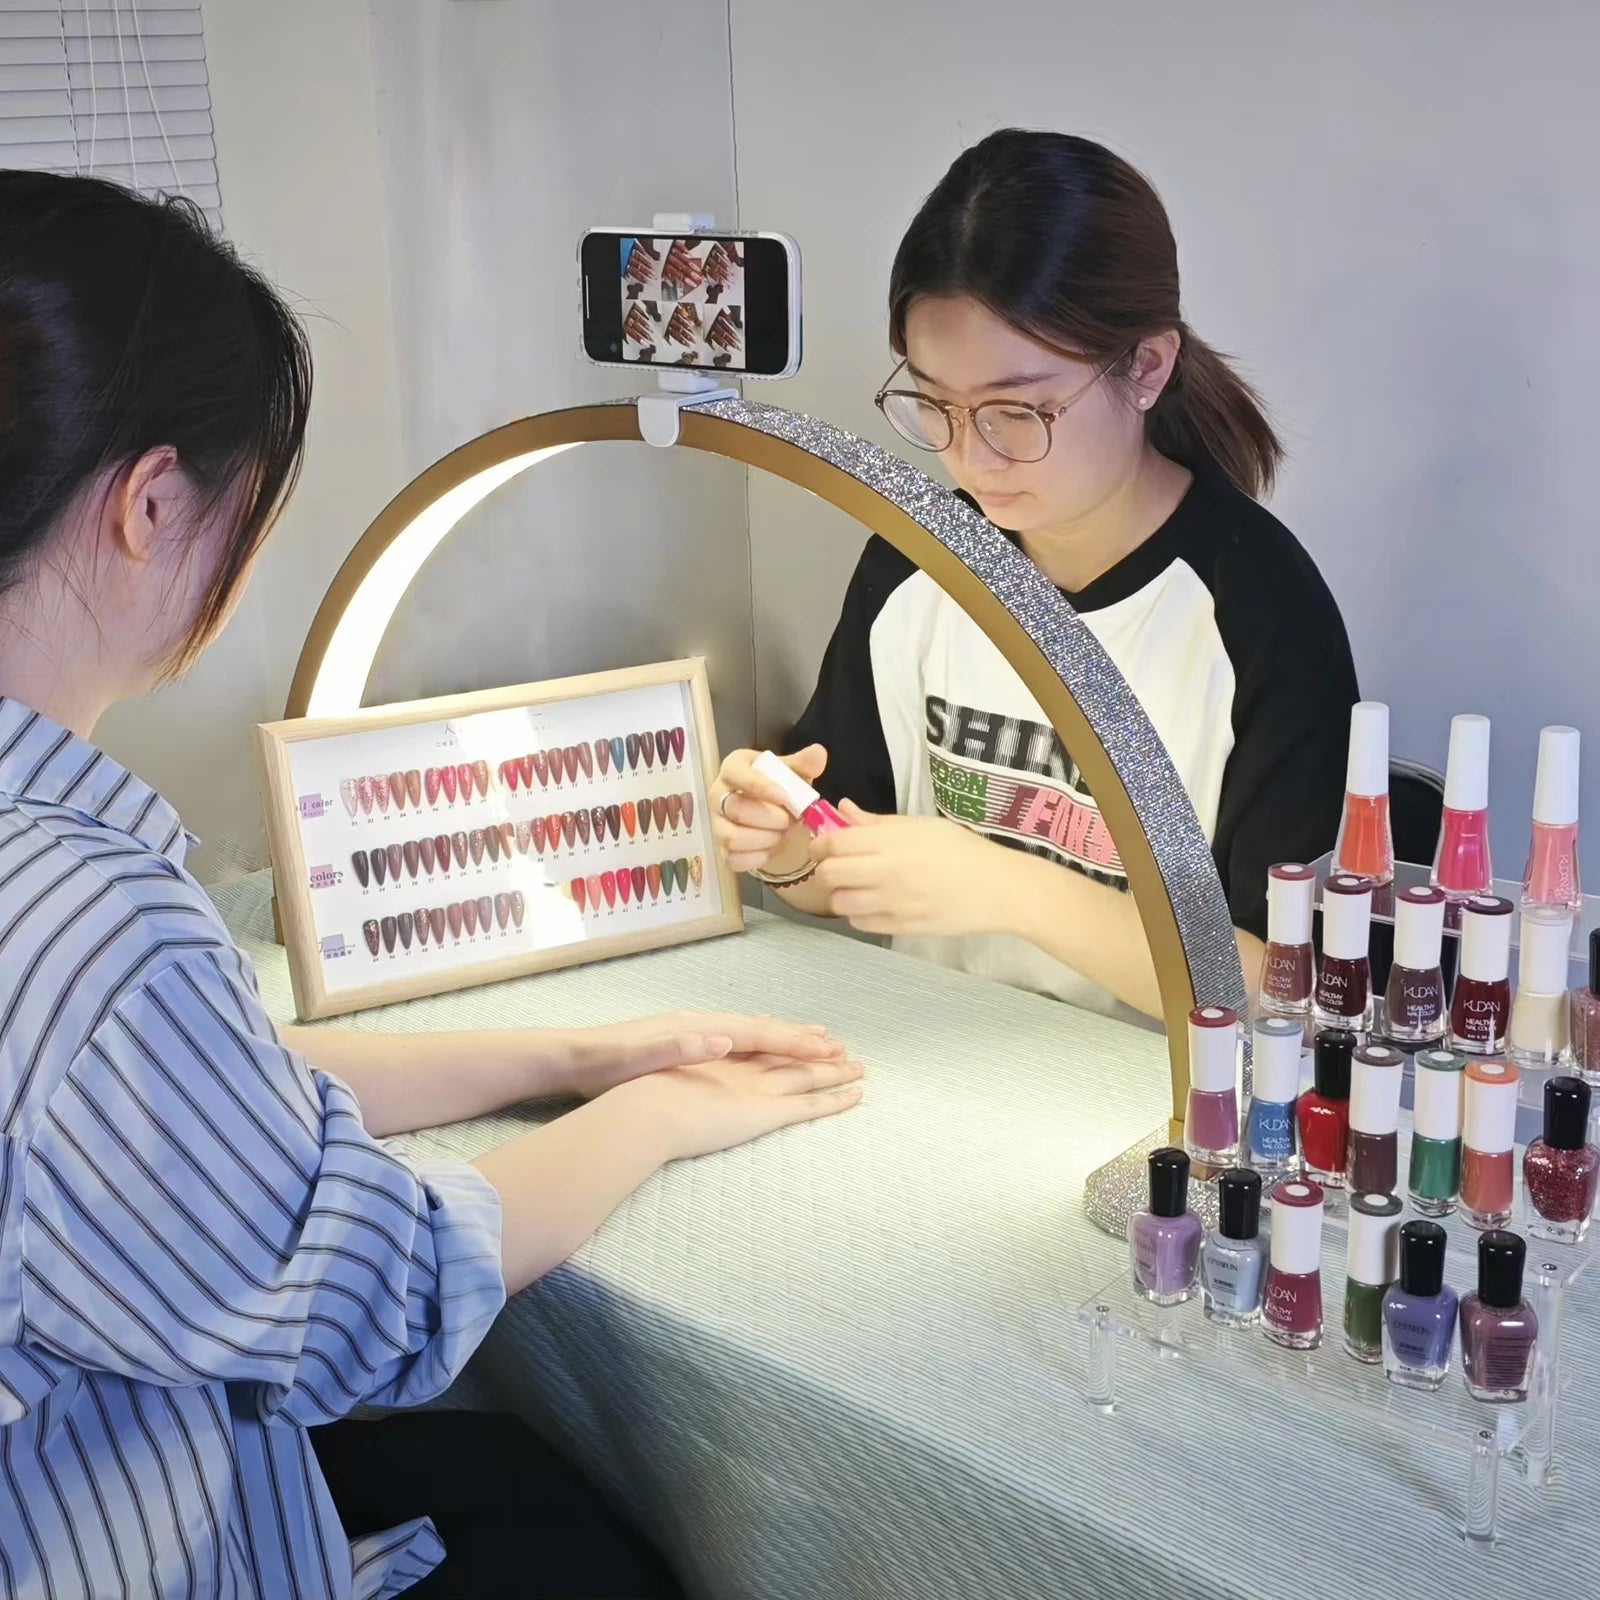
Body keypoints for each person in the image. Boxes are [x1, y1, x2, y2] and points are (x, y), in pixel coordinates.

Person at [0, 172, 863, 1600]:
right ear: (151, 501)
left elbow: (183, 1096)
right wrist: (658, 1114)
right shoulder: (96, 920)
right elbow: (377, 1298)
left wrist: (571, 1055)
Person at [712, 129, 1358, 1024]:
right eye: (935, 403)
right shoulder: (920, 556)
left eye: (1017, 410)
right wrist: (788, 845)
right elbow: (842, 862)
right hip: (941, 1055)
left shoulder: (1260, 611)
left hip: (1160, 1088)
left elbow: (1279, 990)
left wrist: (1008, 890)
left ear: (1147, 366)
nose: (970, 456)